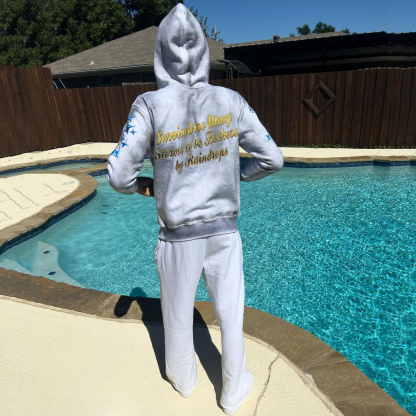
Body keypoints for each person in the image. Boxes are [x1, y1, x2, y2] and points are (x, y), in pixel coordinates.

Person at [107, 4, 284, 414]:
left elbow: (118, 175)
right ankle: (233, 390)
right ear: (203, 52)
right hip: (225, 233)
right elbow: (272, 159)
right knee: (231, 315)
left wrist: (143, 186)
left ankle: (183, 381)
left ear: (160, 54)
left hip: (178, 237)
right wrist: (235, 174)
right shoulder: (230, 99)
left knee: (176, 313)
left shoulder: (149, 105)